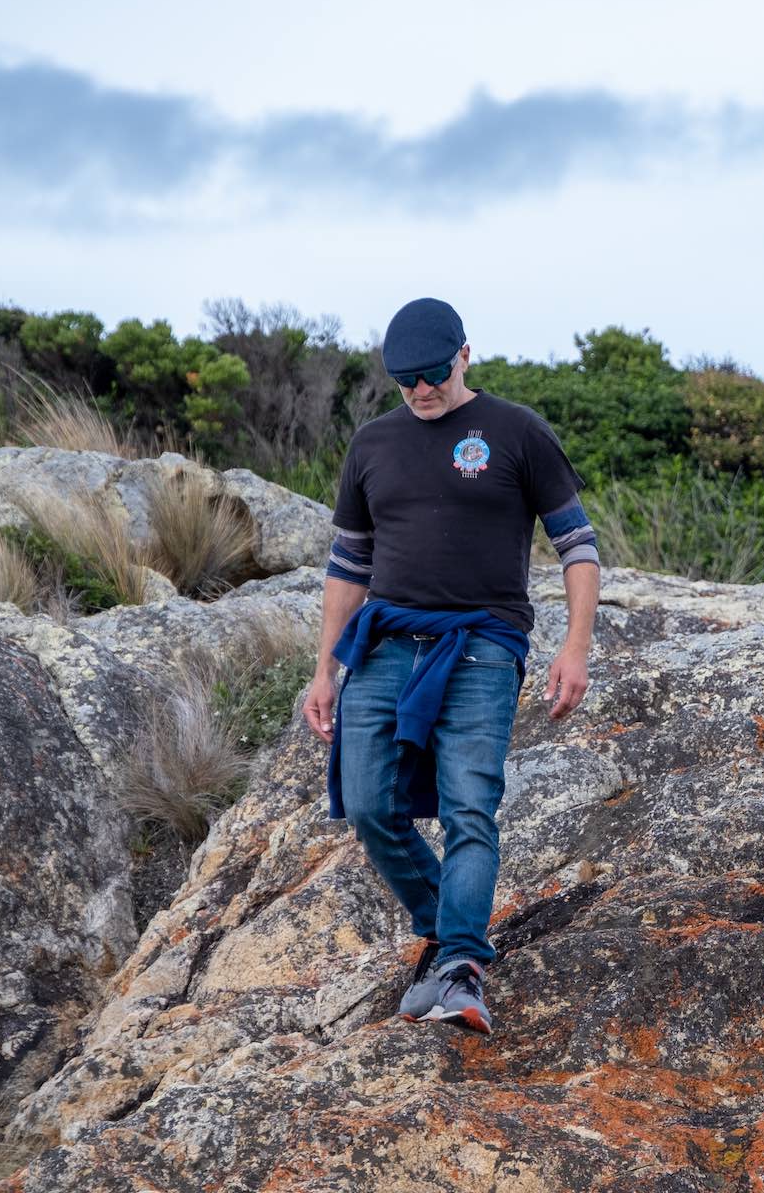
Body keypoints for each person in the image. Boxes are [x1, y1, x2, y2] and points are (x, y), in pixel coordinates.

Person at [301, 296, 600, 1033]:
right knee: (368, 803)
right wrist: (323, 670)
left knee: (471, 806)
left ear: (465, 354)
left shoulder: (517, 432)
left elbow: (578, 547)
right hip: (387, 643)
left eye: (434, 373)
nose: (422, 390)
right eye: (406, 380)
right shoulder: (372, 444)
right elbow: (348, 563)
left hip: (483, 645)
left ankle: (460, 966)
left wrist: (575, 647)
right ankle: (446, 927)